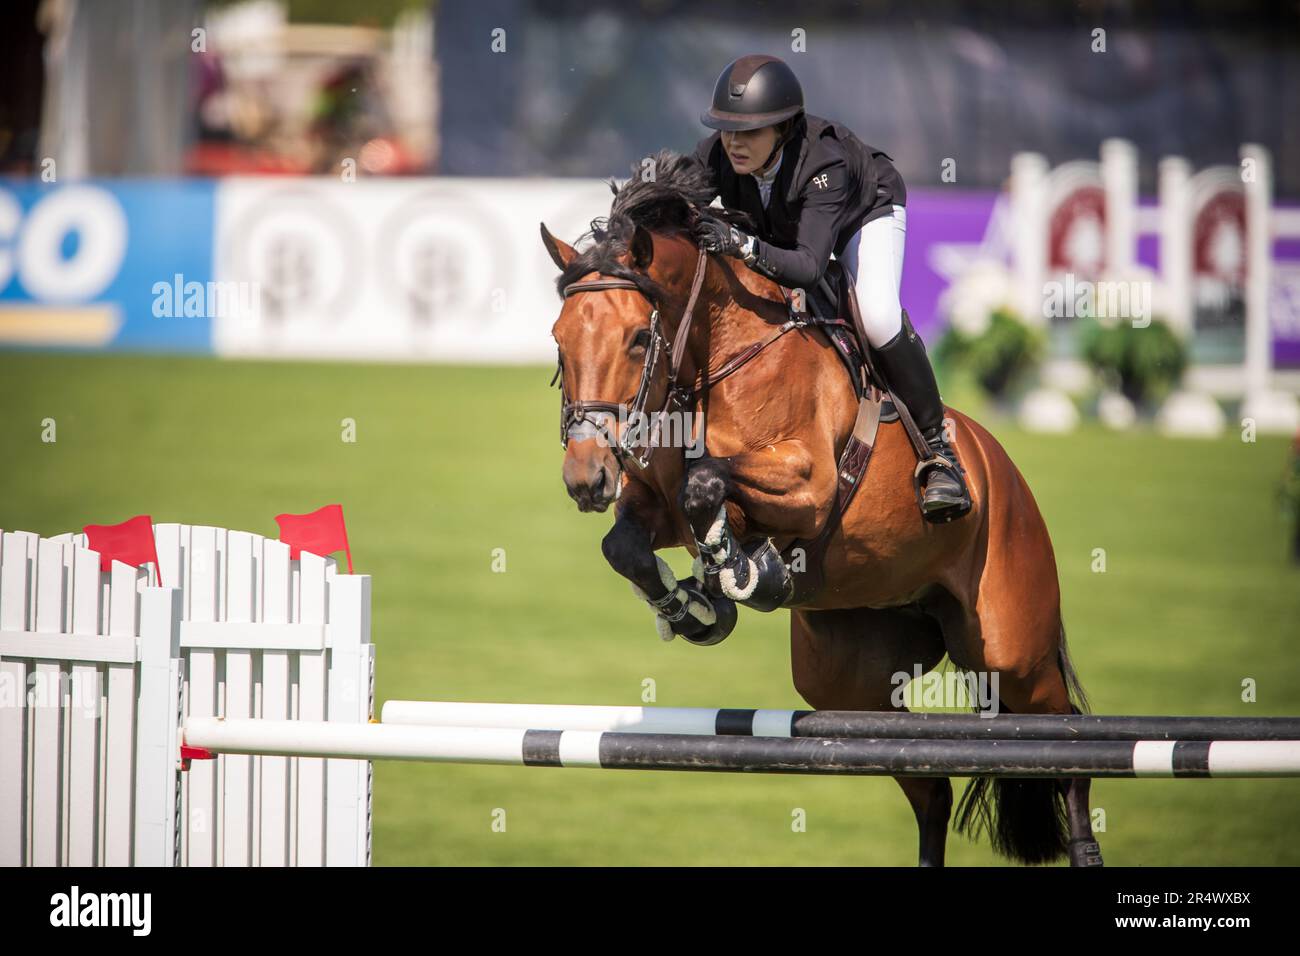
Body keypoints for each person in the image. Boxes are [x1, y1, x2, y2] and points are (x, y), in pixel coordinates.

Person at [689, 54, 969, 523]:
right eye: (726, 129)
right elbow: (670, 196)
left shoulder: (825, 163)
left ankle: (940, 454)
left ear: (782, 129)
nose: (734, 142)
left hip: (865, 213)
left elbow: (808, 266)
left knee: (877, 316)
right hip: (791, 230)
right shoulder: (721, 153)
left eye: (749, 132)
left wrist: (739, 243)